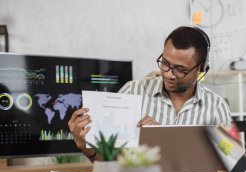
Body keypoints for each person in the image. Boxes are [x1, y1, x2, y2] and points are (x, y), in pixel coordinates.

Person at [68, 26, 232, 161]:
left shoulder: (216, 107)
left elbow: (231, 158)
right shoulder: (131, 92)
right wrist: (86, 147)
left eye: (180, 70)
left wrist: (162, 140)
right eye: (165, 63)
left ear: (201, 70)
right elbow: (109, 163)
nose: (168, 73)